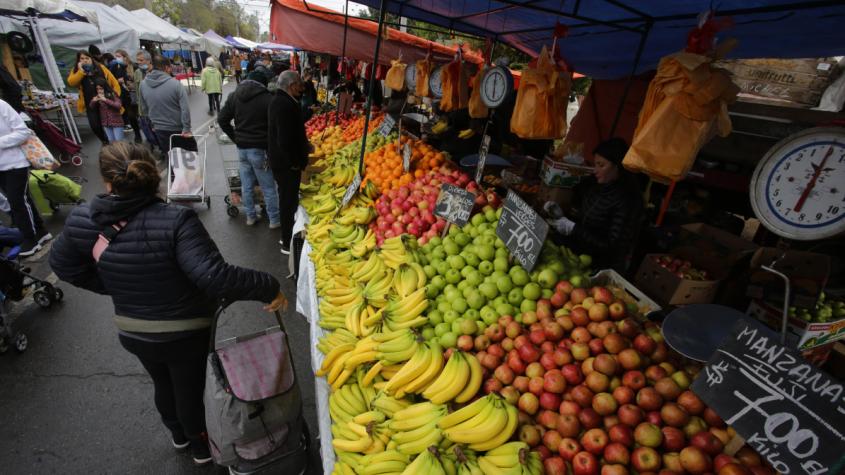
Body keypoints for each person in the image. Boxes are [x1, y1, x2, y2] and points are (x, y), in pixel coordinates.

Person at [48, 142, 288, 466]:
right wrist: (268, 286)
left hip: (133, 330)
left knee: (161, 381)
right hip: (184, 330)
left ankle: (178, 435)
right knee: (189, 388)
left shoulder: (83, 219)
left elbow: (63, 265)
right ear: (155, 176)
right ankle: (201, 447)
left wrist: (115, 285)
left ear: (107, 182)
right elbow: (214, 276)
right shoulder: (177, 220)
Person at [546, 138, 644, 272]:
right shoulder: (595, 185)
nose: (595, 170)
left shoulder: (628, 200)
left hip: (599, 265)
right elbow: (585, 219)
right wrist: (563, 216)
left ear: (618, 166)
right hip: (577, 254)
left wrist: (574, 229)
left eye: (601, 165)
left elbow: (612, 246)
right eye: (595, 164)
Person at [218, 71, 280, 229]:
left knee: (246, 185)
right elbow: (275, 126)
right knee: (268, 187)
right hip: (260, 149)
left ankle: (251, 217)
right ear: (262, 84)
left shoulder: (234, 96)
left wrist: (236, 137)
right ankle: (274, 220)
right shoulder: (268, 99)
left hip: (242, 149)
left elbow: (222, 119)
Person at [0, 98, 50, 256]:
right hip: (2, 166)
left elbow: (23, 132)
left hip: (15, 163)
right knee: (21, 200)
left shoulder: (2, 105)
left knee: (17, 202)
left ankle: (30, 239)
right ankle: (41, 231)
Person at [268, 71, 309, 255]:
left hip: (281, 162)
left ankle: (286, 234)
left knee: (287, 199)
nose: (302, 88)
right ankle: (286, 241)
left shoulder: (280, 101)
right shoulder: (283, 104)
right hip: (285, 164)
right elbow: (284, 139)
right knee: (288, 201)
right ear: (292, 85)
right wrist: (294, 162)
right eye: (299, 84)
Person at [140, 55, 194, 155]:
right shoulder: (176, 84)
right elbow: (185, 109)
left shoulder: (143, 84)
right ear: (166, 68)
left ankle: (172, 170)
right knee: (188, 159)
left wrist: (152, 124)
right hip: (178, 129)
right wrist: (186, 128)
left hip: (159, 129)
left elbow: (144, 108)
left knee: (170, 156)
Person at [67, 50, 122, 145]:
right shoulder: (77, 70)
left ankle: (113, 144)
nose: (85, 60)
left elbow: (114, 83)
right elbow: (71, 82)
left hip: (104, 101)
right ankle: (104, 140)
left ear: (91, 58)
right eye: (82, 58)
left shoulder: (100, 67)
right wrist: (81, 71)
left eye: (87, 58)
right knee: (94, 125)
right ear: (78, 60)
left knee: (110, 124)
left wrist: (114, 97)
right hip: (90, 102)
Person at [109, 49, 142, 144]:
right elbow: (111, 80)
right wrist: (117, 81)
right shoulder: (115, 67)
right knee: (131, 116)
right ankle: (137, 134)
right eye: (116, 56)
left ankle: (139, 132)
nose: (117, 58)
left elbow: (138, 80)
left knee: (135, 115)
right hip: (123, 95)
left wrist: (128, 80)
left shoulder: (133, 66)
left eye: (118, 56)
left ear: (125, 56)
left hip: (134, 93)